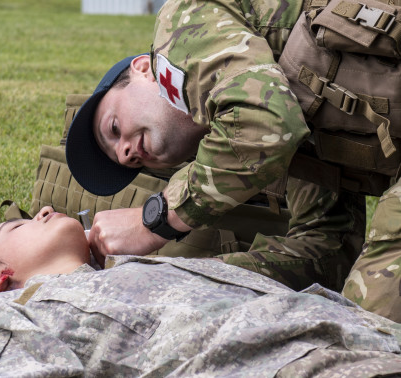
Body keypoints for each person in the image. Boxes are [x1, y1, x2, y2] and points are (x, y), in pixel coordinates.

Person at [65, 0, 365, 300]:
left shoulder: (181, 25)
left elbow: (265, 125)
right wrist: (186, 276)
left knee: (382, 335)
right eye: (126, 162)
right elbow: (329, 248)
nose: (124, 154)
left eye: (114, 128)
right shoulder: (246, 123)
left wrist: (154, 222)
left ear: (144, 69)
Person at [0, 206, 401, 377]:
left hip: (367, 340)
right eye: (17, 224)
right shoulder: (5, 316)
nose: (42, 208)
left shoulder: (135, 269)